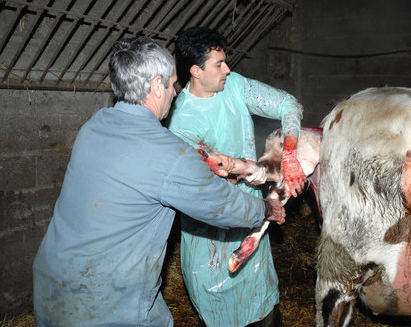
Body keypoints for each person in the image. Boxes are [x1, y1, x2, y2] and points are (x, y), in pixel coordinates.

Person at [32, 36, 283, 326]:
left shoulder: (94, 125)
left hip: (52, 288)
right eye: (172, 84)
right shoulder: (167, 153)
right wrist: (267, 208)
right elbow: (224, 206)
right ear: (155, 86)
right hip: (106, 305)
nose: (176, 93)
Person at [166, 26, 305, 327]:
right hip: (210, 232)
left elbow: (288, 103)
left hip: (253, 225)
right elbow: (213, 183)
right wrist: (248, 174)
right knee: (220, 313)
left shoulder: (234, 86)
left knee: (265, 306)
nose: (228, 68)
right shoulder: (181, 122)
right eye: (219, 64)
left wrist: (290, 154)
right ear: (196, 71)